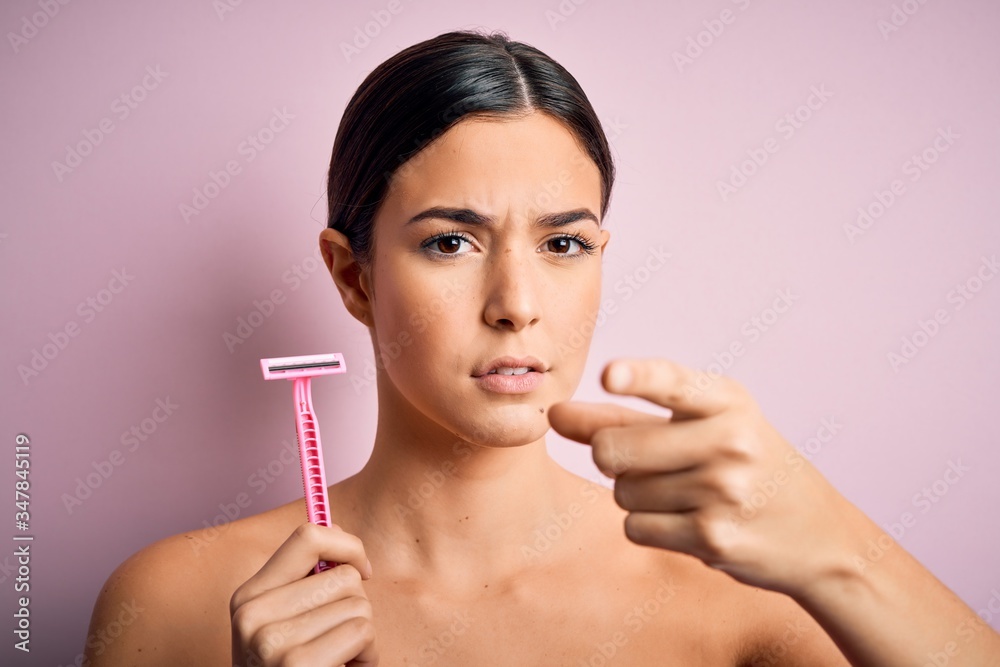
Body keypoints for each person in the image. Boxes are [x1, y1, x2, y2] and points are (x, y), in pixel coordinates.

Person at [84, 29, 999, 666]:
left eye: (564, 243)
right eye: (451, 241)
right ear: (353, 276)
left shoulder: (739, 593)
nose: (517, 305)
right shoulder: (176, 601)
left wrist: (835, 539)